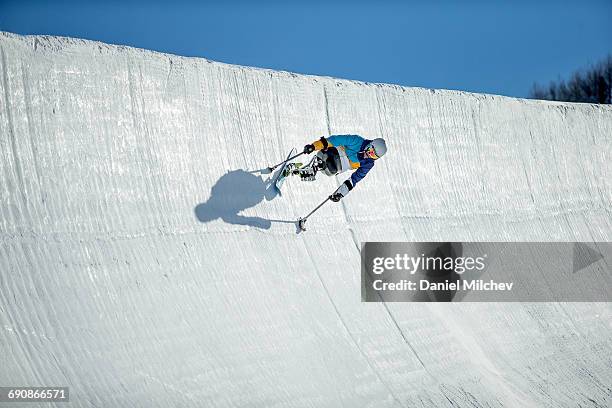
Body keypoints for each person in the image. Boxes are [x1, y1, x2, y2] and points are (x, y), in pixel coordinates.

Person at [284, 135, 387, 202]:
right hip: (334, 152)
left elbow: (355, 178)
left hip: (338, 167)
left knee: (331, 167)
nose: (369, 154)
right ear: (370, 144)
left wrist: (341, 193)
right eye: (370, 150)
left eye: (373, 155)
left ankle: (303, 170)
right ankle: (305, 168)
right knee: (327, 159)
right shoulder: (357, 141)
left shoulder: (368, 164)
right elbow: (335, 140)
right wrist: (314, 146)